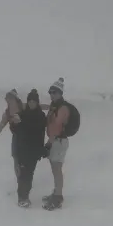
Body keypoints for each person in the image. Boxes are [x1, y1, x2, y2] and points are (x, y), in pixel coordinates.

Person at [12, 89, 47, 208]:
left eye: (34, 101)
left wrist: (41, 149)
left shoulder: (41, 116)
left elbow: (40, 132)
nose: (32, 103)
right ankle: (21, 197)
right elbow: (16, 131)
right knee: (22, 174)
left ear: (37, 102)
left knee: (30, 174)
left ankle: (25, 196)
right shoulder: (22, 114)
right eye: (30, 101)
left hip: (33, 150)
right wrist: (14, 123)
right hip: (22, 150)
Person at [43, 78, 70, 210]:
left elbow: (57, 126)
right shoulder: (55, 106)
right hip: (56, 141)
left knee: (57, 169)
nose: (52, 95)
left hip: (59, 141)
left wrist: (49, 143)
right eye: (50, 92)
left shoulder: (62, 108)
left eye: (54, 92)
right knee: (55, 168)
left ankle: (58, 197)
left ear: (60, 93)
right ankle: (56, 193)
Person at [0, 89, 24, 180]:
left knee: (24, 160)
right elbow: (1, 125)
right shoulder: (7, 113)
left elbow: (38, 107)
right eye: (6, 99)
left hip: (26, 137)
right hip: (16, 138)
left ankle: (25, 180)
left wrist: (51, 107)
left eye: (9, 99)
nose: (7, 101)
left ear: (14, 99)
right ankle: (19, 180)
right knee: (16, 159)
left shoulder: (23, 107)